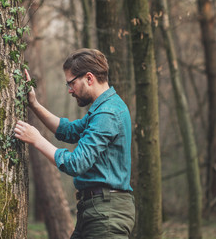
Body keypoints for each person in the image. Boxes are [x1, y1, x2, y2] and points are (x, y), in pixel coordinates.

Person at [14, 48, 135, 238]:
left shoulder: (107, 114)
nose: (70, 90)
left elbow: (76, 163)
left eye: (71, 83)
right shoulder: (103, 109)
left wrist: (37, 140)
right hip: (96, 211)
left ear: (89, 78)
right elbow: (69, 131)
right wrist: (34, 104)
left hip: (106, 215)